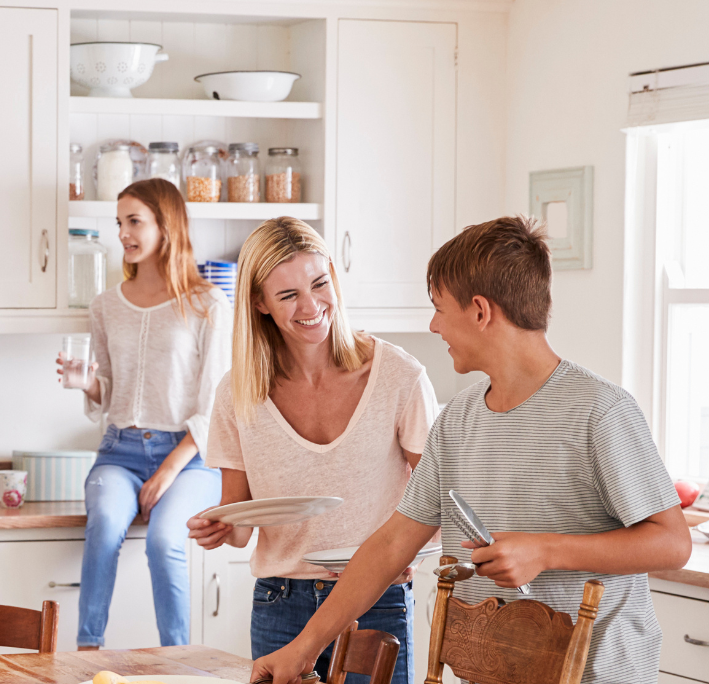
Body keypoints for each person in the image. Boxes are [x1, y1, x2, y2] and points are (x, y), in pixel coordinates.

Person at [249, 216, 694, 684]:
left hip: (597, 674)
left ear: (480, 312)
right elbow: (391, 544)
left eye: (440, 308)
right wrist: (303, 648)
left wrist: (546, 551)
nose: (433, 324)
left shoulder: (599, 410)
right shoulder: (458, 420)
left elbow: (671, 542)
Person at [185, 217, 436, 684]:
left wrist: (414, 555)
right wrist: (221, 526)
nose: (311, 305)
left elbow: (439, 502)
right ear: (259, 303)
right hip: (280, 601)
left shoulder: (400, 377)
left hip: (375, 600)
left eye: (319, 284)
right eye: (287, 295)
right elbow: (241, 524)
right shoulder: (238, 393)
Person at [59, 178, 231, 650]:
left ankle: (175, 661)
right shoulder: (106, 306)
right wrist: (85, 383)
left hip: (191, 458)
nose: (123, 233)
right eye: (120, 223)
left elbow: (217, 402)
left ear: (166, 226)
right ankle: (86, 651)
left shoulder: (207, 304)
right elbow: (110, 388)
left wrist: (168, 472)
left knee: (163, 541)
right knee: (105, 527)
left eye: (135, 221)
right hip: (120, 451)